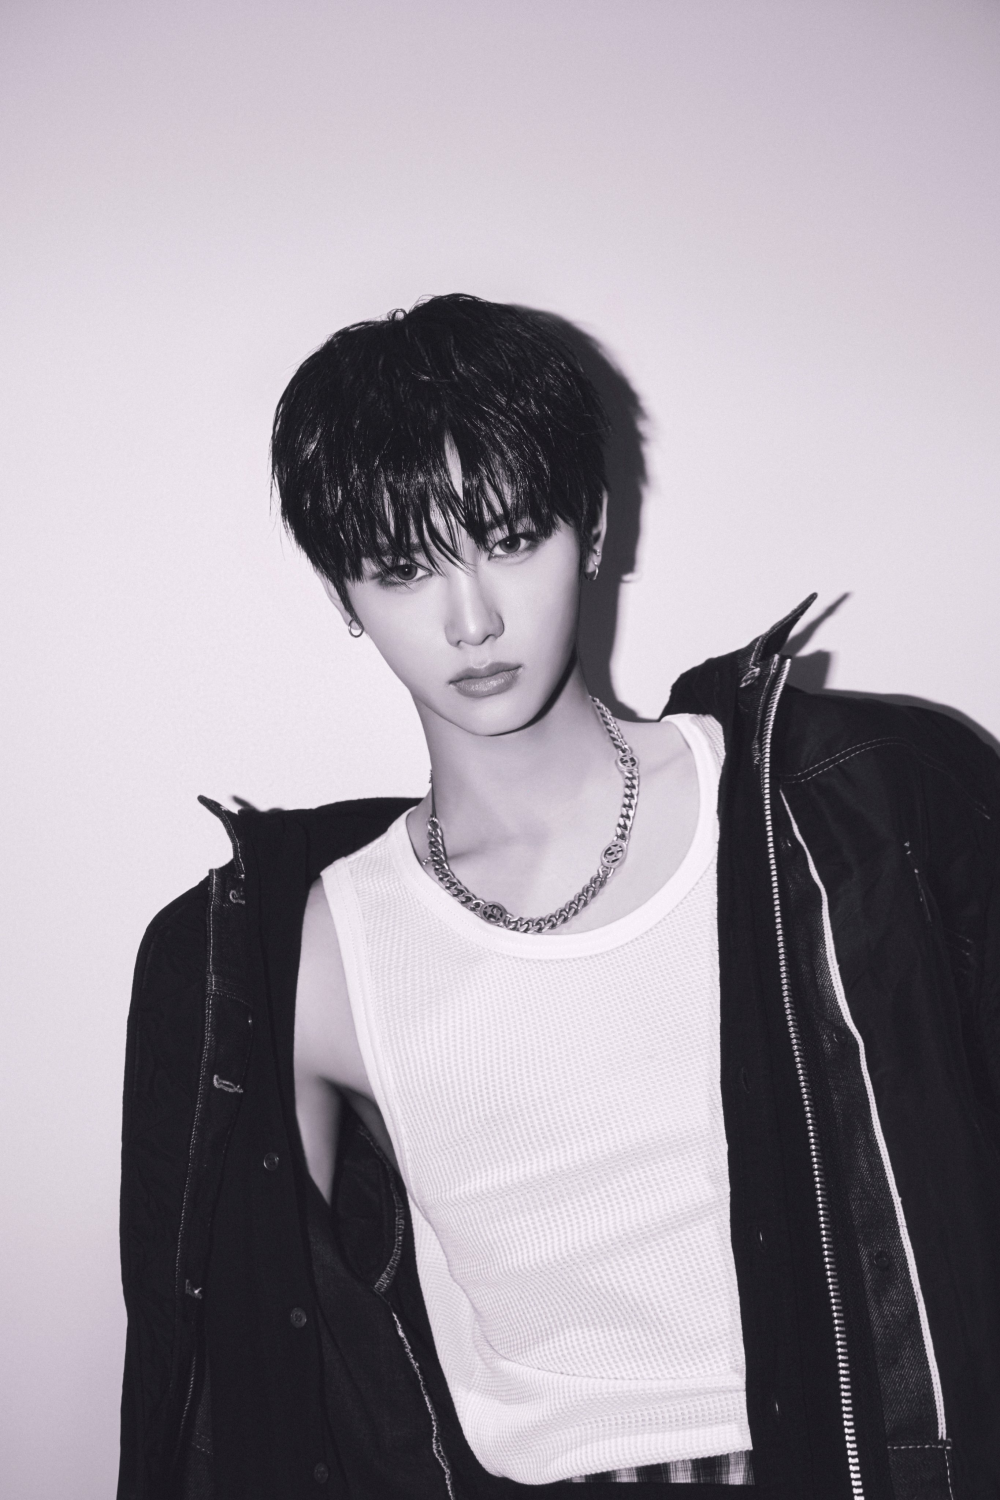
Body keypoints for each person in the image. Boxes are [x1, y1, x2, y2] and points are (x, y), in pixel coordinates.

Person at [118, 295, 1000, 1500]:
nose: (471, 618)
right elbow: (270, 1392)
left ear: (591, 529)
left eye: (510, 538)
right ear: (342, 596)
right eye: (403, 568)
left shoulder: (851, 805)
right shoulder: (308, 957)